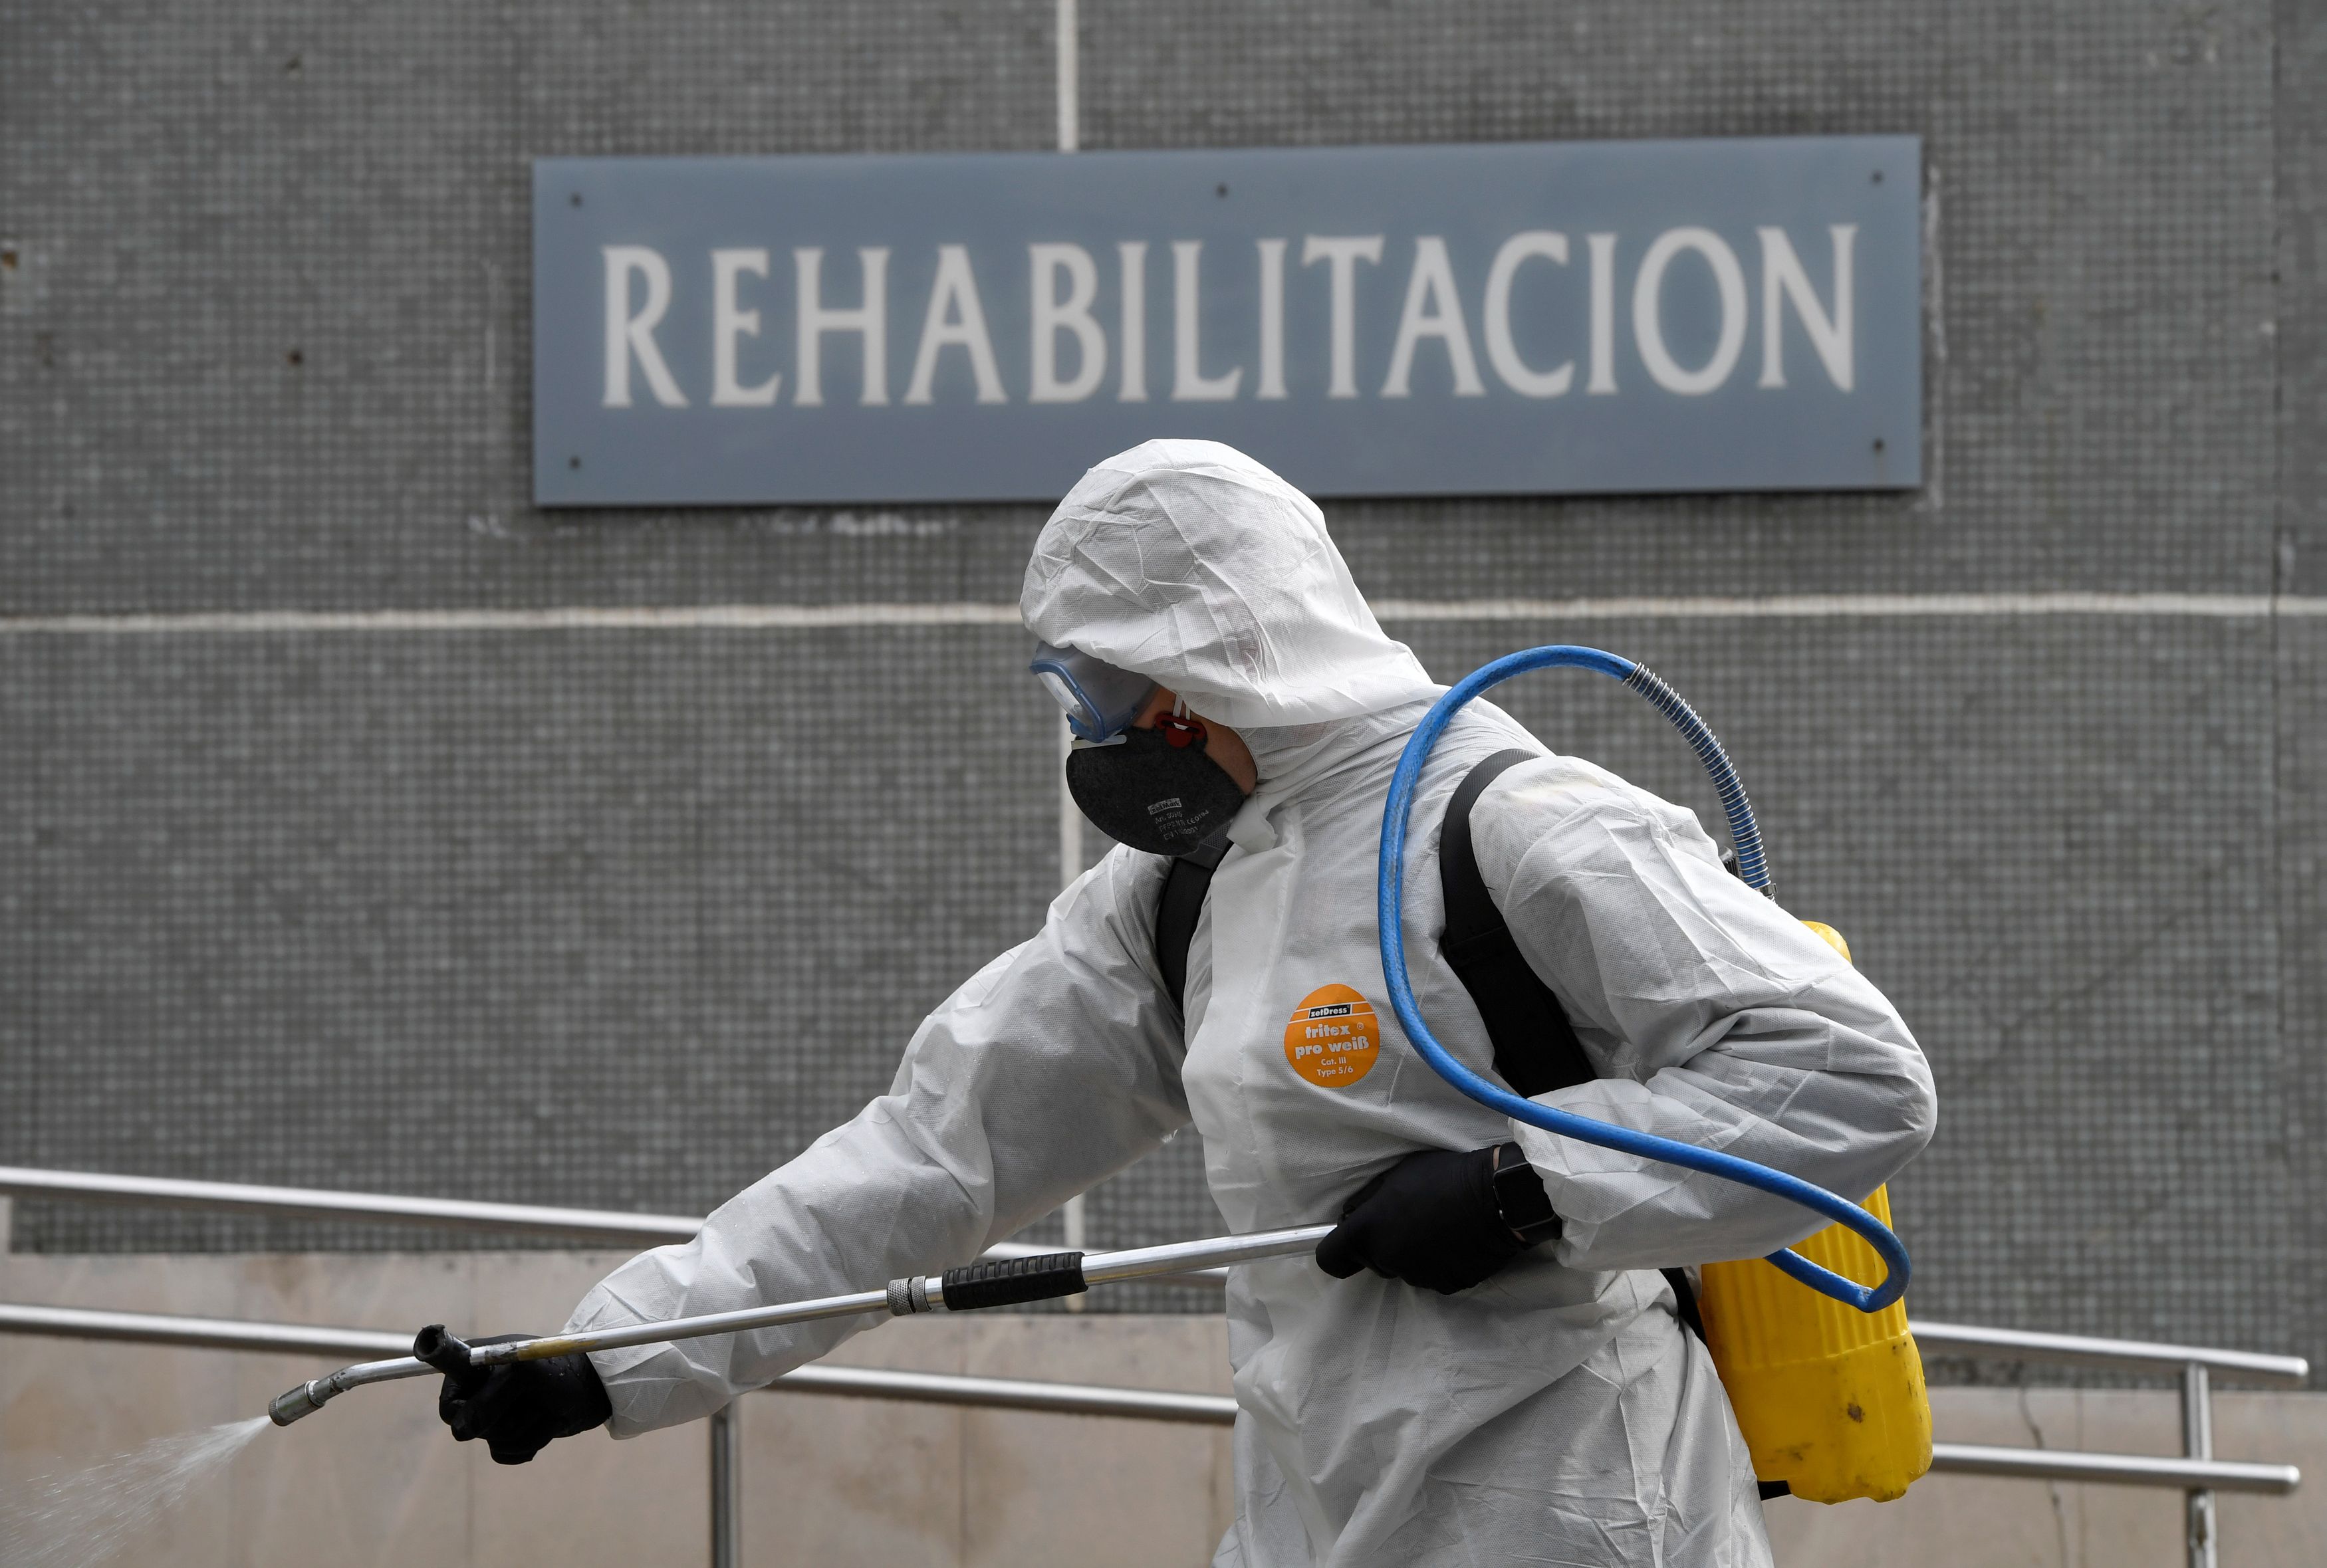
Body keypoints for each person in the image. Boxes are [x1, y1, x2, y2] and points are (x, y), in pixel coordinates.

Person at [438, 439, 1937, 1566]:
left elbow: (1850, 1072)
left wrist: (1523, 1189)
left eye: (1104, 686)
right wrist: (607, 1358)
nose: (1095, 729)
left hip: (1577, 1503)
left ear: (1205, 663)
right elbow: (931, 1152)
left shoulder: (1515, 822)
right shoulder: (1178, 897)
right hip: (1314, 1507)